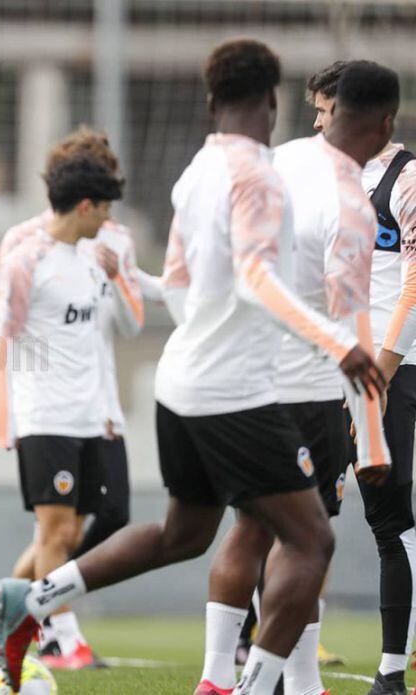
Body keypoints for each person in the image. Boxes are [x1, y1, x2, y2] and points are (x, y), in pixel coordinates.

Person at [0, 38, 385, 695]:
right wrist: (338, 341)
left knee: (185, 532)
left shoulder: (197, 170)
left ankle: (28, 597)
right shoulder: (260, 174)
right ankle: (256, 686)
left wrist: (128, 275)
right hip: (234, 390)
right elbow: (257, 278)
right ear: (271, 98)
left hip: (182, 382)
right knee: (312, 539)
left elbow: (175, 284)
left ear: (211, 101)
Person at [196, 60, 395, 695]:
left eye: (321, 106)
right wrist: (373, 437)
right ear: (385, 121)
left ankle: (219, 679)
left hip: (241, 381)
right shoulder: (353, 206)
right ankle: (282, 683)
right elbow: (355, 331)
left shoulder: (274, 161)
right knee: (309, 541)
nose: (314, 115)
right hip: (307, 394)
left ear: (334, 112)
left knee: (251, 528)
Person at [0, 129, 143, 671]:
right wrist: (4, 421)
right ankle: (62, 638)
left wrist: (119, 282)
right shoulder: (25, 256)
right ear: (86, 202)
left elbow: (133, 325)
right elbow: (0, 338)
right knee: (56, 531)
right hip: (45, 414)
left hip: (96, 416)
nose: (111, 219)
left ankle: (4, 612)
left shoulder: (104, 253)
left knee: (91, 522)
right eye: (106, 207)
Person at [306, 60, 416, 695]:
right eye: (317, 111)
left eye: (329, 112)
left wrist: (375, 378)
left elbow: (413, 286)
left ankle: (391, 672)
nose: (318, 123)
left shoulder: (405, 181)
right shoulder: (324, 179)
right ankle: (286, 667)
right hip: (325, 371)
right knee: (301, 517)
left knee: (390, 522)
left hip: (387, 374)